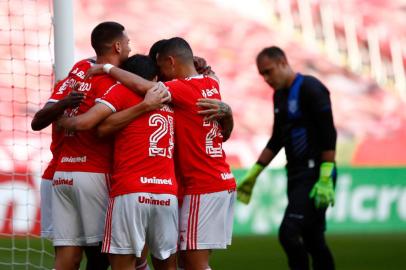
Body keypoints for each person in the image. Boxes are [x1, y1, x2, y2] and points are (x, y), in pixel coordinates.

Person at [85, 37, 236, 270]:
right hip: (215, 180)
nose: (160, 74)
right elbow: (224, 135)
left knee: (194, 264)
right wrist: (228, 113)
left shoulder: (180, 89)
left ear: (171, 62)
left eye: (161, 67)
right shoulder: (211, 83)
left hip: (202, 184)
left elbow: (144, 86)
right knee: (180, 261)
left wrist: (107, 68)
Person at [60, 54, 175, 270]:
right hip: (167, 193)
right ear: (156, 76)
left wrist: (62, 120)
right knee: (166, 264)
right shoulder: (171, 98)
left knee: (122, 263)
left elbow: (99, 128)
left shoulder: (121, 91)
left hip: (131, 191)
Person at [237, 46, 337, 270]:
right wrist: (254, 174)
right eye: (262, 74)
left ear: (283, 62)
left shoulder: (311, 88)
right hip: (296, 174)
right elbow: (277, 139)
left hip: (316, 175)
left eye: (268, 71)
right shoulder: (279, 96)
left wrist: (325, 177)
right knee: (313, 240)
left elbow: (328, 133)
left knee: (289, 233)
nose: (266, 78)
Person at [50, 21, 132, 270]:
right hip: (94, 172)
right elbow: (93, 125)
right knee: (101, 255)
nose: (129, 48)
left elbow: (48, 111)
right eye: (127, 44)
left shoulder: (79, 71)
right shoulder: (117, 82)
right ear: (117, 46)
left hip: (63, 173)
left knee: (67, 257)